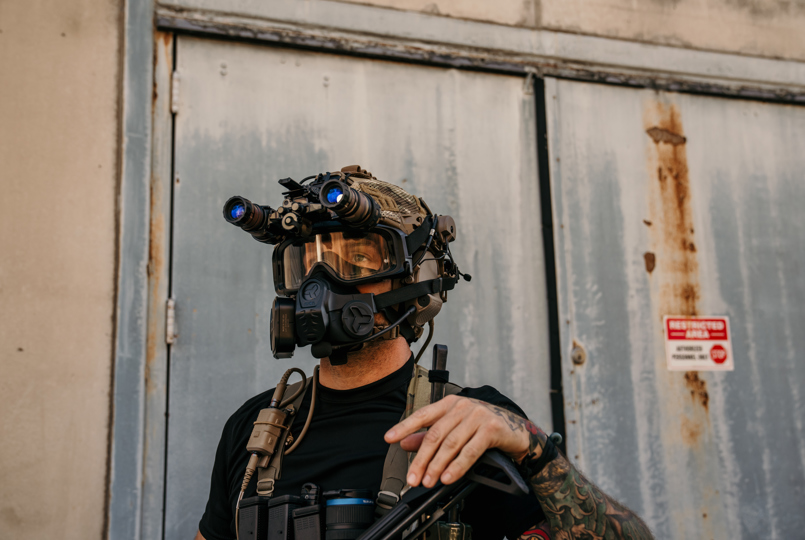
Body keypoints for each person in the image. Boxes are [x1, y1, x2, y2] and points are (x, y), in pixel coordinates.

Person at [197, 167, 653, 540]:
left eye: (356, 261)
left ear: (416, 277)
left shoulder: (472, 423)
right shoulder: (255, 428)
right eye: (305, 263)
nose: (320, 285)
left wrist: (533, 448)